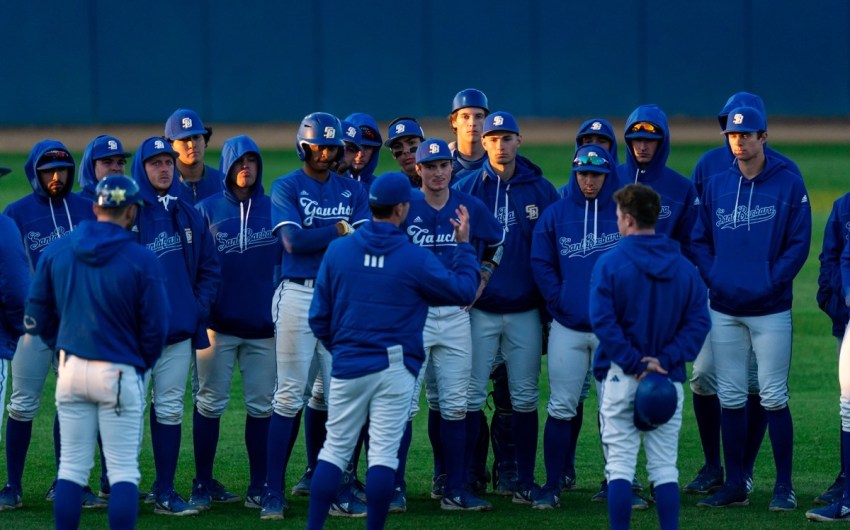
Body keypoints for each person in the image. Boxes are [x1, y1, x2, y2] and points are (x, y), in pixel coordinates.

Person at [305, 171, 480, 530]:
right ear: (401, 209)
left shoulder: (339, 250)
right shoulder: (413, 257)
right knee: (383, 456)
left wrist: (344, 348)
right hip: (394, 367)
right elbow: (464, 291)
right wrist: (463, 245)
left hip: (349, 363)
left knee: (333, 451)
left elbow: (318, 317)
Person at [24, 174, 169, 530]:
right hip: (119, 371)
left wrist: (61, 348)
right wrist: (140, 364)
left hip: (72, 369)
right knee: (122, 471)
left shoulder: (58, 250)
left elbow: (36, 312)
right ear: (131, 211)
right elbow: (157, 327)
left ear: (95, 208)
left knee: (71, 468)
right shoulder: (141, 258)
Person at [693, 106, 811, 511]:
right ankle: (736, 484)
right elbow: (699, 238)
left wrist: (771, 281)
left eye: (747, 135)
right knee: (730, 395)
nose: (739, 141)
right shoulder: (717, 182)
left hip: (771, 310)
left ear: (764, 137)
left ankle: (783, 486)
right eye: (733, 135)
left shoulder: (788, 183)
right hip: (725, 307)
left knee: (774, 395)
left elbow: (798, 243)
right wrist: (716, 278)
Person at [262, 112, 370, 520]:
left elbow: (360, 246)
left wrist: (331, 233)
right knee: (289, 395)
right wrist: (339, 230)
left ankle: (338, 486)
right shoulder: (287, 185)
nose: (326, 154)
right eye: (319, 146)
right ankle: (272, 490)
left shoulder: (351, 188)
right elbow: (292, 242)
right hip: (297, 296)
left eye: (332, 147)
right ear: (303, 146)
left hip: (341, 299)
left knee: (342, 395)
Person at [590, 182, 710, 530]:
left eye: (617, 217)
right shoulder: (684, 267)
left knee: (621, 467)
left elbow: (603, 321)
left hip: (621, 377)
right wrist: (665, 360)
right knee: (664, 467)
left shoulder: (610, 263)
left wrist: (634, 362)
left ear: (628, 219)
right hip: (667, 378)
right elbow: (699, 322)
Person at [454, 111, 559, 504]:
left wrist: (548, 310)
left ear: (520, 140)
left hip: (525, 311)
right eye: (493, 138)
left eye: (507, 137)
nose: (500, 144)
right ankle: (465, 477)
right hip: (479, 310)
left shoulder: (542, 190)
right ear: (483, 143)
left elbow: (550, 252)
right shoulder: (466, 187)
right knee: (467, 396)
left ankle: (524, 479)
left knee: (526, 396)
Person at [399, 138, 504, 512]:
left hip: (457, 316)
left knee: (455, 406)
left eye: (444, 165)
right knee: (404, 406)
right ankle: (395, 486)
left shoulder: (468, 204)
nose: (439, 172)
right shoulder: (405, 208)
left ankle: (454, 489)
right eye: (431, 166)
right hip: (414, 317)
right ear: (419, 170)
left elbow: (497, 240)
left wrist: (484, 276)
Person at [0, 140, 104, 510]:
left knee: (72, 404)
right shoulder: (15, 214)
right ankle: (11, 485)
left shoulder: (87, 210)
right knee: (22, 405)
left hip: (78, 325)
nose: (57, 177)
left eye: (62, 171)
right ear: (34, 173)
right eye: (48, 172)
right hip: (32, 325)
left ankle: (68, 482)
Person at [130, 136, 220, 516]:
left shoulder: (188, 212)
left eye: (168, 162)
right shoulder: (128, 214)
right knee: (128, 412)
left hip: (178, 333)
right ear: (142, 168)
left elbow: (209, 268)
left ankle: (165, 490)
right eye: (155, 163)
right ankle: (122, 487)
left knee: (169, 410)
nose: (164, 168)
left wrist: (194, 309)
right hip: (134, 337)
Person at [190, 135, 281, 511]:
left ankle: (259, 484)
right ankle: (202, 482)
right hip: (218, 327)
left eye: (252, 161)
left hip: (264, 328)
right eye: (238, 161)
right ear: (226, 167)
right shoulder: (206, 209)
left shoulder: (275, 208)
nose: (246, 167)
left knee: (261, 407)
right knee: (209, 404)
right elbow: (194, 267)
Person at [529, 144, 620, 509]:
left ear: (607, 175)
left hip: (611, 330)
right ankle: (552, 484)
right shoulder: (555, 214)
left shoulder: (621, 214)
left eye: (595, 174)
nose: (588, 180)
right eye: (583, 173)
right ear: (574, 173)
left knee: (613, 408)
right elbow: (541, 262)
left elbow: (638, 262)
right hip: (567, 326)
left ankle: (618, 482)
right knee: (562, 406)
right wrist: (560, 301)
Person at [805, 190, 850, 522]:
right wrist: (840, 300)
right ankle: (847, 487)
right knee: (848, 403)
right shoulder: (843, 206)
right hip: (847, 318)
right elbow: (837, 257)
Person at [164, 108, 224, 205]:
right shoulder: (163, 186)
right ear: (170, 145)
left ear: (204, 140)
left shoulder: (223, 183)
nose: (192, 145)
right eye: (184, 139)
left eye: (196, 137)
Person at [449, 88, 490, 181]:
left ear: (487, 121)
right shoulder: (441, 163)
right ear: (454, 122)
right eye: (465, 117)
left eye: (478, 116)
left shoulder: (501, 160)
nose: (472, 123)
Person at [77, 135, 132, 202]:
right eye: (107, 162)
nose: (116, 168)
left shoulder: (131, 201)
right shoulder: (76, 203)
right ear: (91, 166)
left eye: (120, 162)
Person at [382, 117, 426, 186]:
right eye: (397, 147)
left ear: (424, 145)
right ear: (392, 154)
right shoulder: (392, 188)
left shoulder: (445, 180)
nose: (405, 151)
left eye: (411, 143)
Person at [344, 112, 382, 188]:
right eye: (354, 148)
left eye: (367, 147)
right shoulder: (326, 183)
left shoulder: (380, 189)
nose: (360, 154)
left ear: (375, 151)